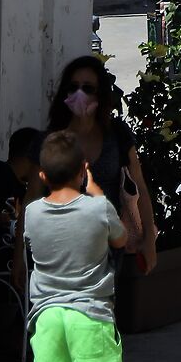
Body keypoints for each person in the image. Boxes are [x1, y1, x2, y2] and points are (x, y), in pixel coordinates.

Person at [23, 130, 136, 362]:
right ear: (83, 170)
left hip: (47, 317)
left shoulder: (32, 212)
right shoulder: (96, 209)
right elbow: (120, 240)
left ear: (42, 175)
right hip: (90, 314)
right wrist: (98, 192)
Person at [39, 55, 157, 283]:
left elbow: (139, 185)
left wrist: (149, 240)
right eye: (73, 87)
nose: (79, 94)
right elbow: (33, 196)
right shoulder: (51, 138)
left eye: (88, 88)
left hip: (106, 248)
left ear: (100, 94)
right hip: (59, 247)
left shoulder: (116, 134)